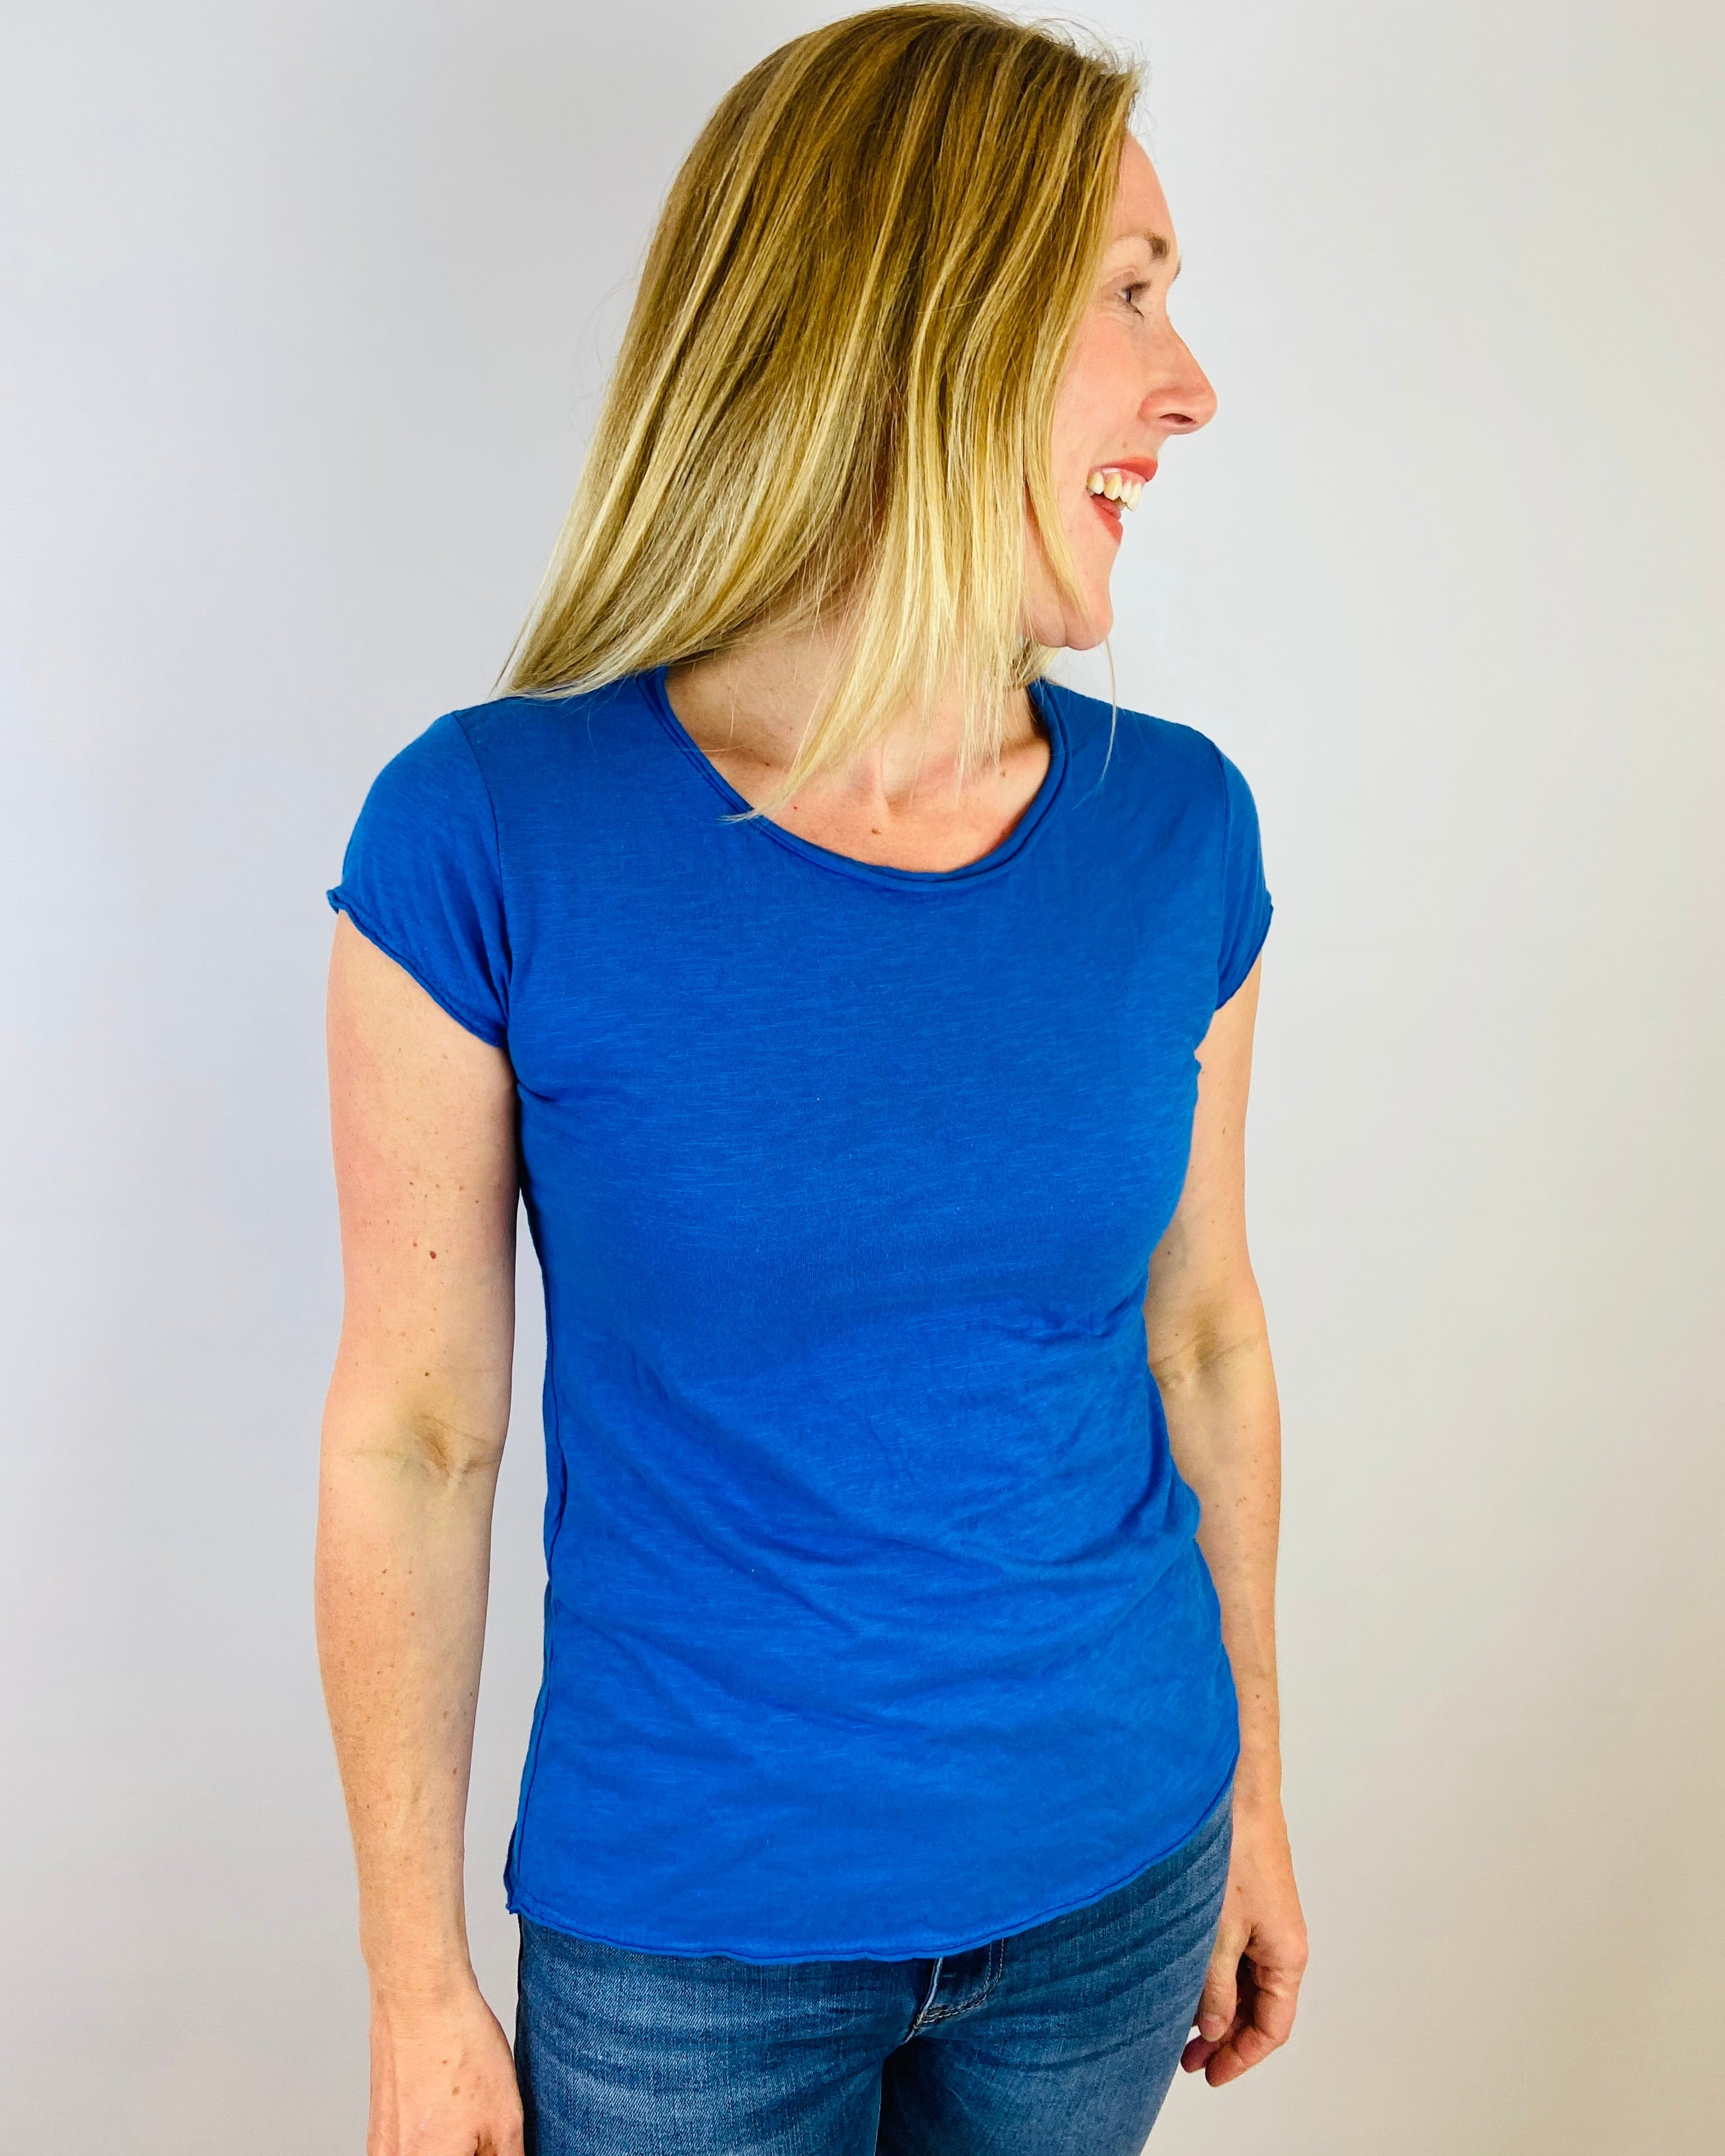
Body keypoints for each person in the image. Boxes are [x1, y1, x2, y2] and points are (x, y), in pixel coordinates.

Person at [314, 7, 1308, 2151]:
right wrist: (415, 1981)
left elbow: (1206, 1335)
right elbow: (415, 1434)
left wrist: (1256, 1793)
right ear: (921, 321)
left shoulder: (1178, 832)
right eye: (1131, 293)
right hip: (691, 1952)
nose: (1191, 385)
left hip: (1120, 1878)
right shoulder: (487, 835)